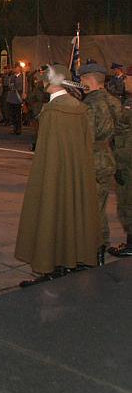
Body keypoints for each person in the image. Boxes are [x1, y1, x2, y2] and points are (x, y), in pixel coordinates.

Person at [15, 65, 102, 286]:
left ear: (50, 82)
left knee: (51, 209)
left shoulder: (53, 112)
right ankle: (73, 257)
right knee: (72, 209)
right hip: (75, 173)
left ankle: (50, 262)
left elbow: (48, 154)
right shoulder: (79, 107)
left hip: (54, 173)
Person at [79, 63, 122, 264]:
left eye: (82, 79)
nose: (80, 82)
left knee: (92, 208)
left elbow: (87, 136)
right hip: (108, 156)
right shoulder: (114, 101)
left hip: (93, 159)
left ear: (89, 79)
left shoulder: (89, 104)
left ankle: (96, 248)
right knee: (101, 205)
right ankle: (100, 246)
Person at [110, 76, 132, 258]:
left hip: (128, 162)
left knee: (128, 201)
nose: (125, 80)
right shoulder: (126, 101)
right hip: (125, 159)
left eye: (128, 77)